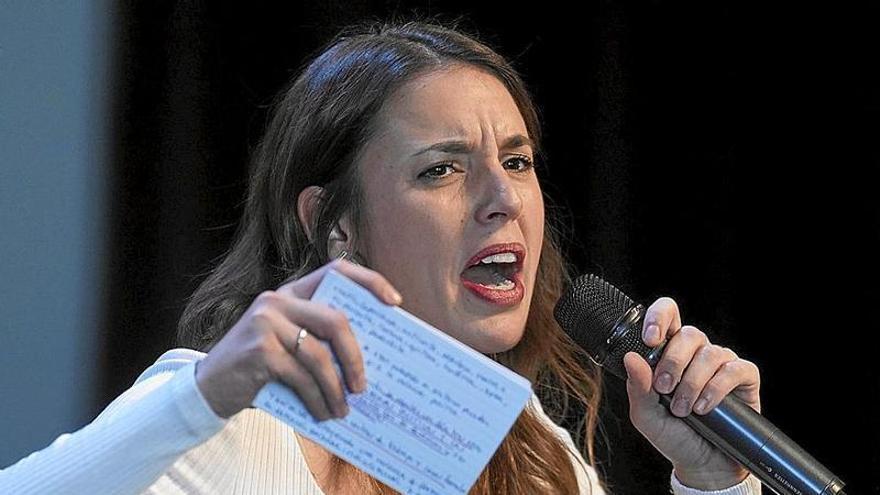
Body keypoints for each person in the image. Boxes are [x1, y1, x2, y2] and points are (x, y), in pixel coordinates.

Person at [0, 19, 763, 494]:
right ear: (335, 226)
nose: (502, 198)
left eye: (519, 160)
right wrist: (201, 395)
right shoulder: (225, 418)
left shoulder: (538, 458)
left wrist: (712, 480)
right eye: (442, 167)